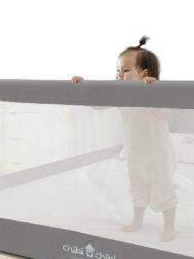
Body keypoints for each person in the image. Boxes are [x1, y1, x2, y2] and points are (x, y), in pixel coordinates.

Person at [72, 36, 177, 241]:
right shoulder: (121, 96)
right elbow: (97, 105)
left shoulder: (155, 95)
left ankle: (169, 225)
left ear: (144, 74)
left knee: (162, 188)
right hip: (135, 153)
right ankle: (137, 220)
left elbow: (165, 113)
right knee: (137, 185)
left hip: (158, 156)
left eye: (126, 70)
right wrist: (81, 86)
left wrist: (154, 89)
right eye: (118, 70)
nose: (119, 74)